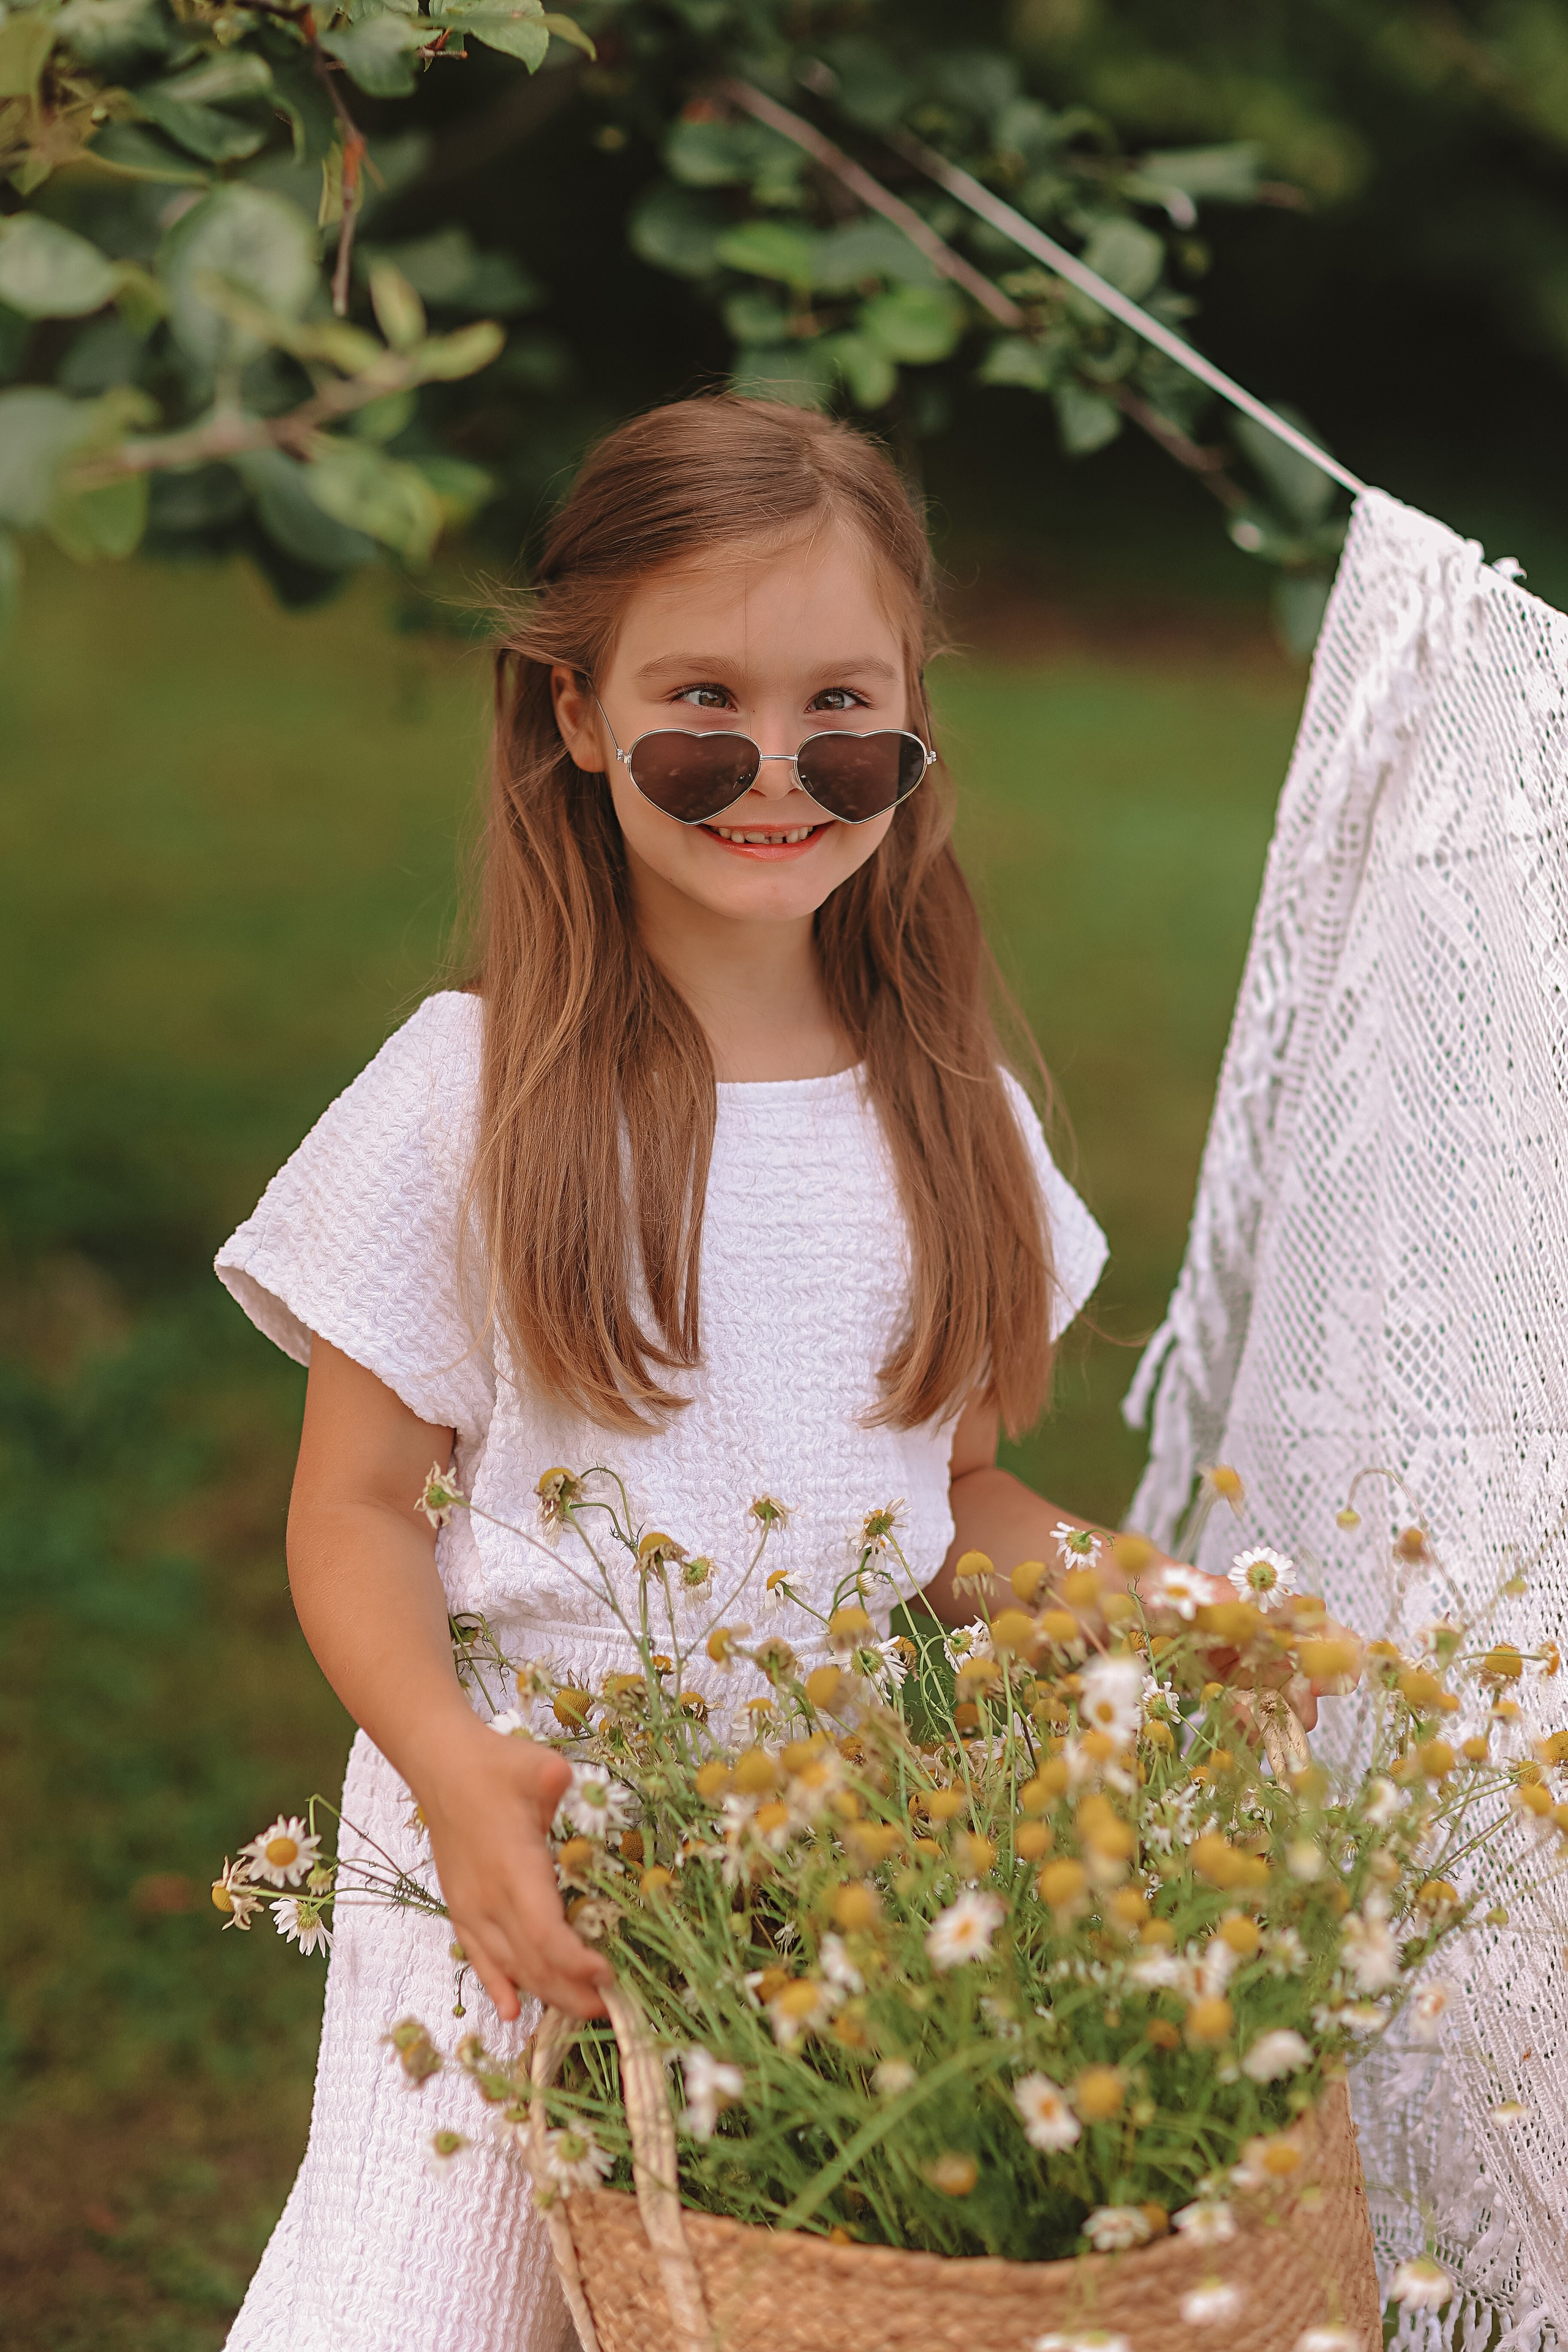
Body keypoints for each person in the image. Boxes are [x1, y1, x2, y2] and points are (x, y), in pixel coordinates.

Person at [214, 396, 1205, 2351]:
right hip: (521, 1850)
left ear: (916, 717)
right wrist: (450, 1769)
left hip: (830, 1866)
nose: (776, 771)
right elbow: (350, 1509)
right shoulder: (468, 1098)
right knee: (424, 2307)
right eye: (700, 707)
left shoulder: (956, 1117)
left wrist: (1188, 1618)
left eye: (839, 706)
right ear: (574, 717)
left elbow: (952, 1512)